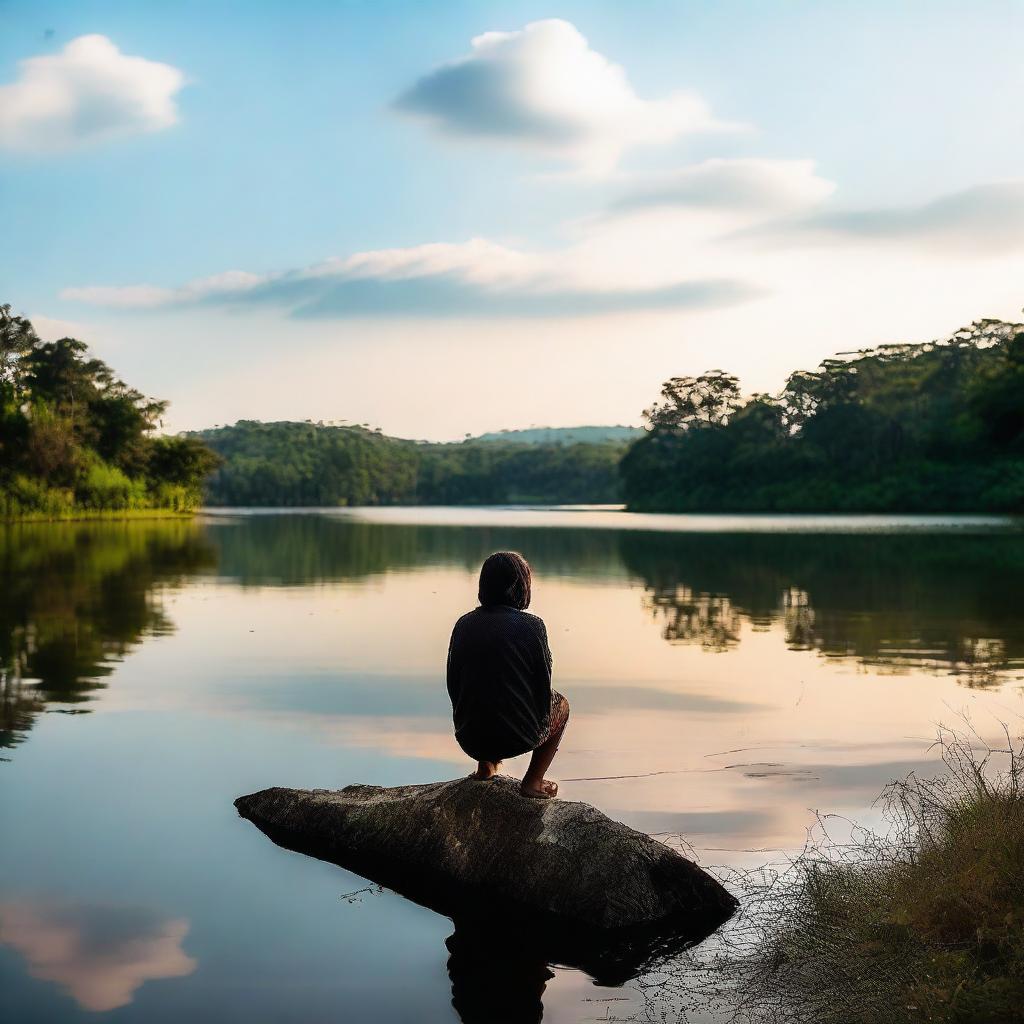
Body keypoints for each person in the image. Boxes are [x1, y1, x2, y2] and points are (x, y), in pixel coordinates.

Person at [446, 551, 569, 800]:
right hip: (519, 738)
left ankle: (485, 767)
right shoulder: (533, 627)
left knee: (482, 687)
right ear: (521, 587)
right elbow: (542, 687)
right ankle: (533, 781)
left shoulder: (463, 624)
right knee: (562, 705)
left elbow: (453, 684)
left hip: (469, 737)